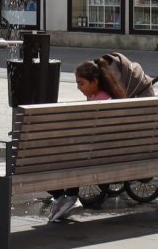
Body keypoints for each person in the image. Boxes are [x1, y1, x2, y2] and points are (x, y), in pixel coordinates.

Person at [45, 57, 129, 222]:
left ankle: (68, 196)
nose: (78, 88)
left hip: (98, 155)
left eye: (81, 83)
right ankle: (64, 196)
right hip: (96, 150)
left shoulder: (103, 102)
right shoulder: (101, 97)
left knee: (54, 156)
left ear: (95, 81)